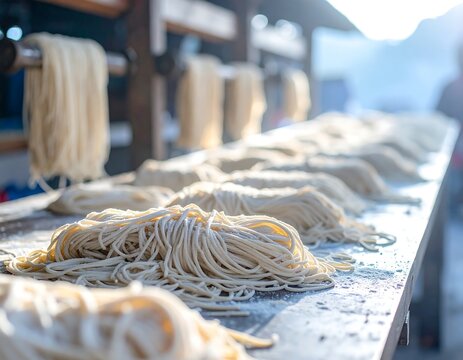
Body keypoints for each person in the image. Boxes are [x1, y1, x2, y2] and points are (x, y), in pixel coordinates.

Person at [437, 44, 463, 214]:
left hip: (454, 159)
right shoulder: (450, 88)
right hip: (455, 159)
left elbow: (438, 120)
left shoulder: (450, 87)